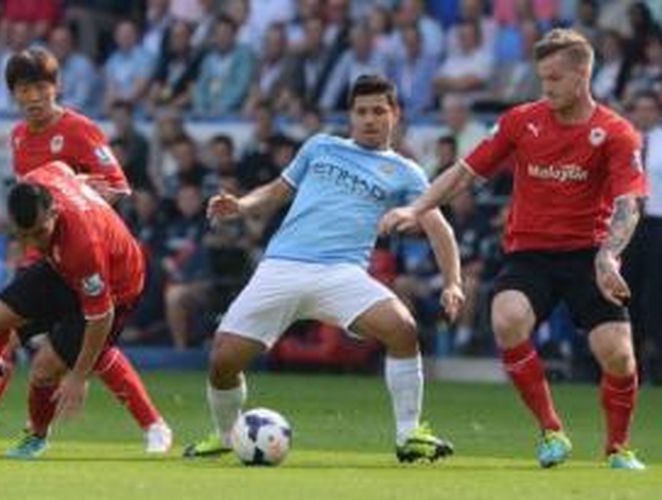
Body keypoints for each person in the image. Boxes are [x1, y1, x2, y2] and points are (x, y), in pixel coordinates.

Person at [380, 29, 647, 470]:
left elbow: (628, 203)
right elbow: (464, 172)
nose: (547, 88)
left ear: (583, 75)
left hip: (589, 255)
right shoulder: (521, 121)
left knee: (618, 354)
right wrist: (417, 208)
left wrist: (608, 256)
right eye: (542, 78)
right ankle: (551, 431)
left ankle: (618, 449)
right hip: (530, 253)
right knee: (506, 318)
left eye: (556, 78)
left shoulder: (615, 132)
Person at [183, 75, 463, 463]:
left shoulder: (406, 172)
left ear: (395, 114)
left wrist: (454, 283)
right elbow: (277, 192)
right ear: (350, 115)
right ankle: (225, 434)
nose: (369, 119)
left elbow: (439, 229)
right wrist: (243, 206)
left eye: (379, 111)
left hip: (342, 274)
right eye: (361, 111)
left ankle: (409, 434)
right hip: (282, 266)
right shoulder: (320, 146)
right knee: (223, 359)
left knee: (402, 329)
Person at [0, 47, 170, 455]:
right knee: (3, 331)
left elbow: (119, 188)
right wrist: (33, 244)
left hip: (97, 252)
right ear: (12, 94)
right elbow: (28, 199)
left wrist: (79, 198)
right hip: (49, 253)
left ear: (56, 87)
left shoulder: (80, 129)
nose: (32, 97)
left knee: (80, 350)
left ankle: (152, 424)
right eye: (23, 89)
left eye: (40, 88)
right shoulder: (18, 136)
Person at [0, 162, 155, 460]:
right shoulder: (39, 182)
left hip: (117, 290)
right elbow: (58, 166)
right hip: (61, 270)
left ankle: (37, 436)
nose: (33, 242)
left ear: (54, 212)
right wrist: (78, 180)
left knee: (43, 371)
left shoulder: (83, 245)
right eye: (24, 234)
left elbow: (102, 316)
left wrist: (78, 376)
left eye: (39, 232)